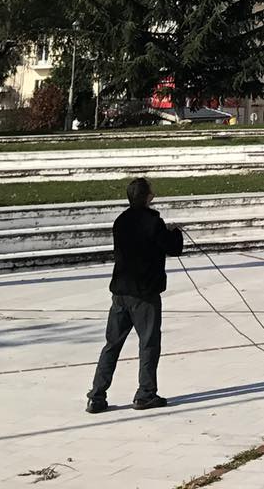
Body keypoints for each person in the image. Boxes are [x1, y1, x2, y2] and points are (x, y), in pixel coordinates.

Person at [86, 176, 183, 413]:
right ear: (148, 196)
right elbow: (173, 248)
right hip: (144, 294)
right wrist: (175, 232)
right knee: (149, 344)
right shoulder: (153, 221)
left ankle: (96, 396)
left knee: (112, 345)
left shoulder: (120, 221)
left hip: (120, 292)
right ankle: (145, 394)